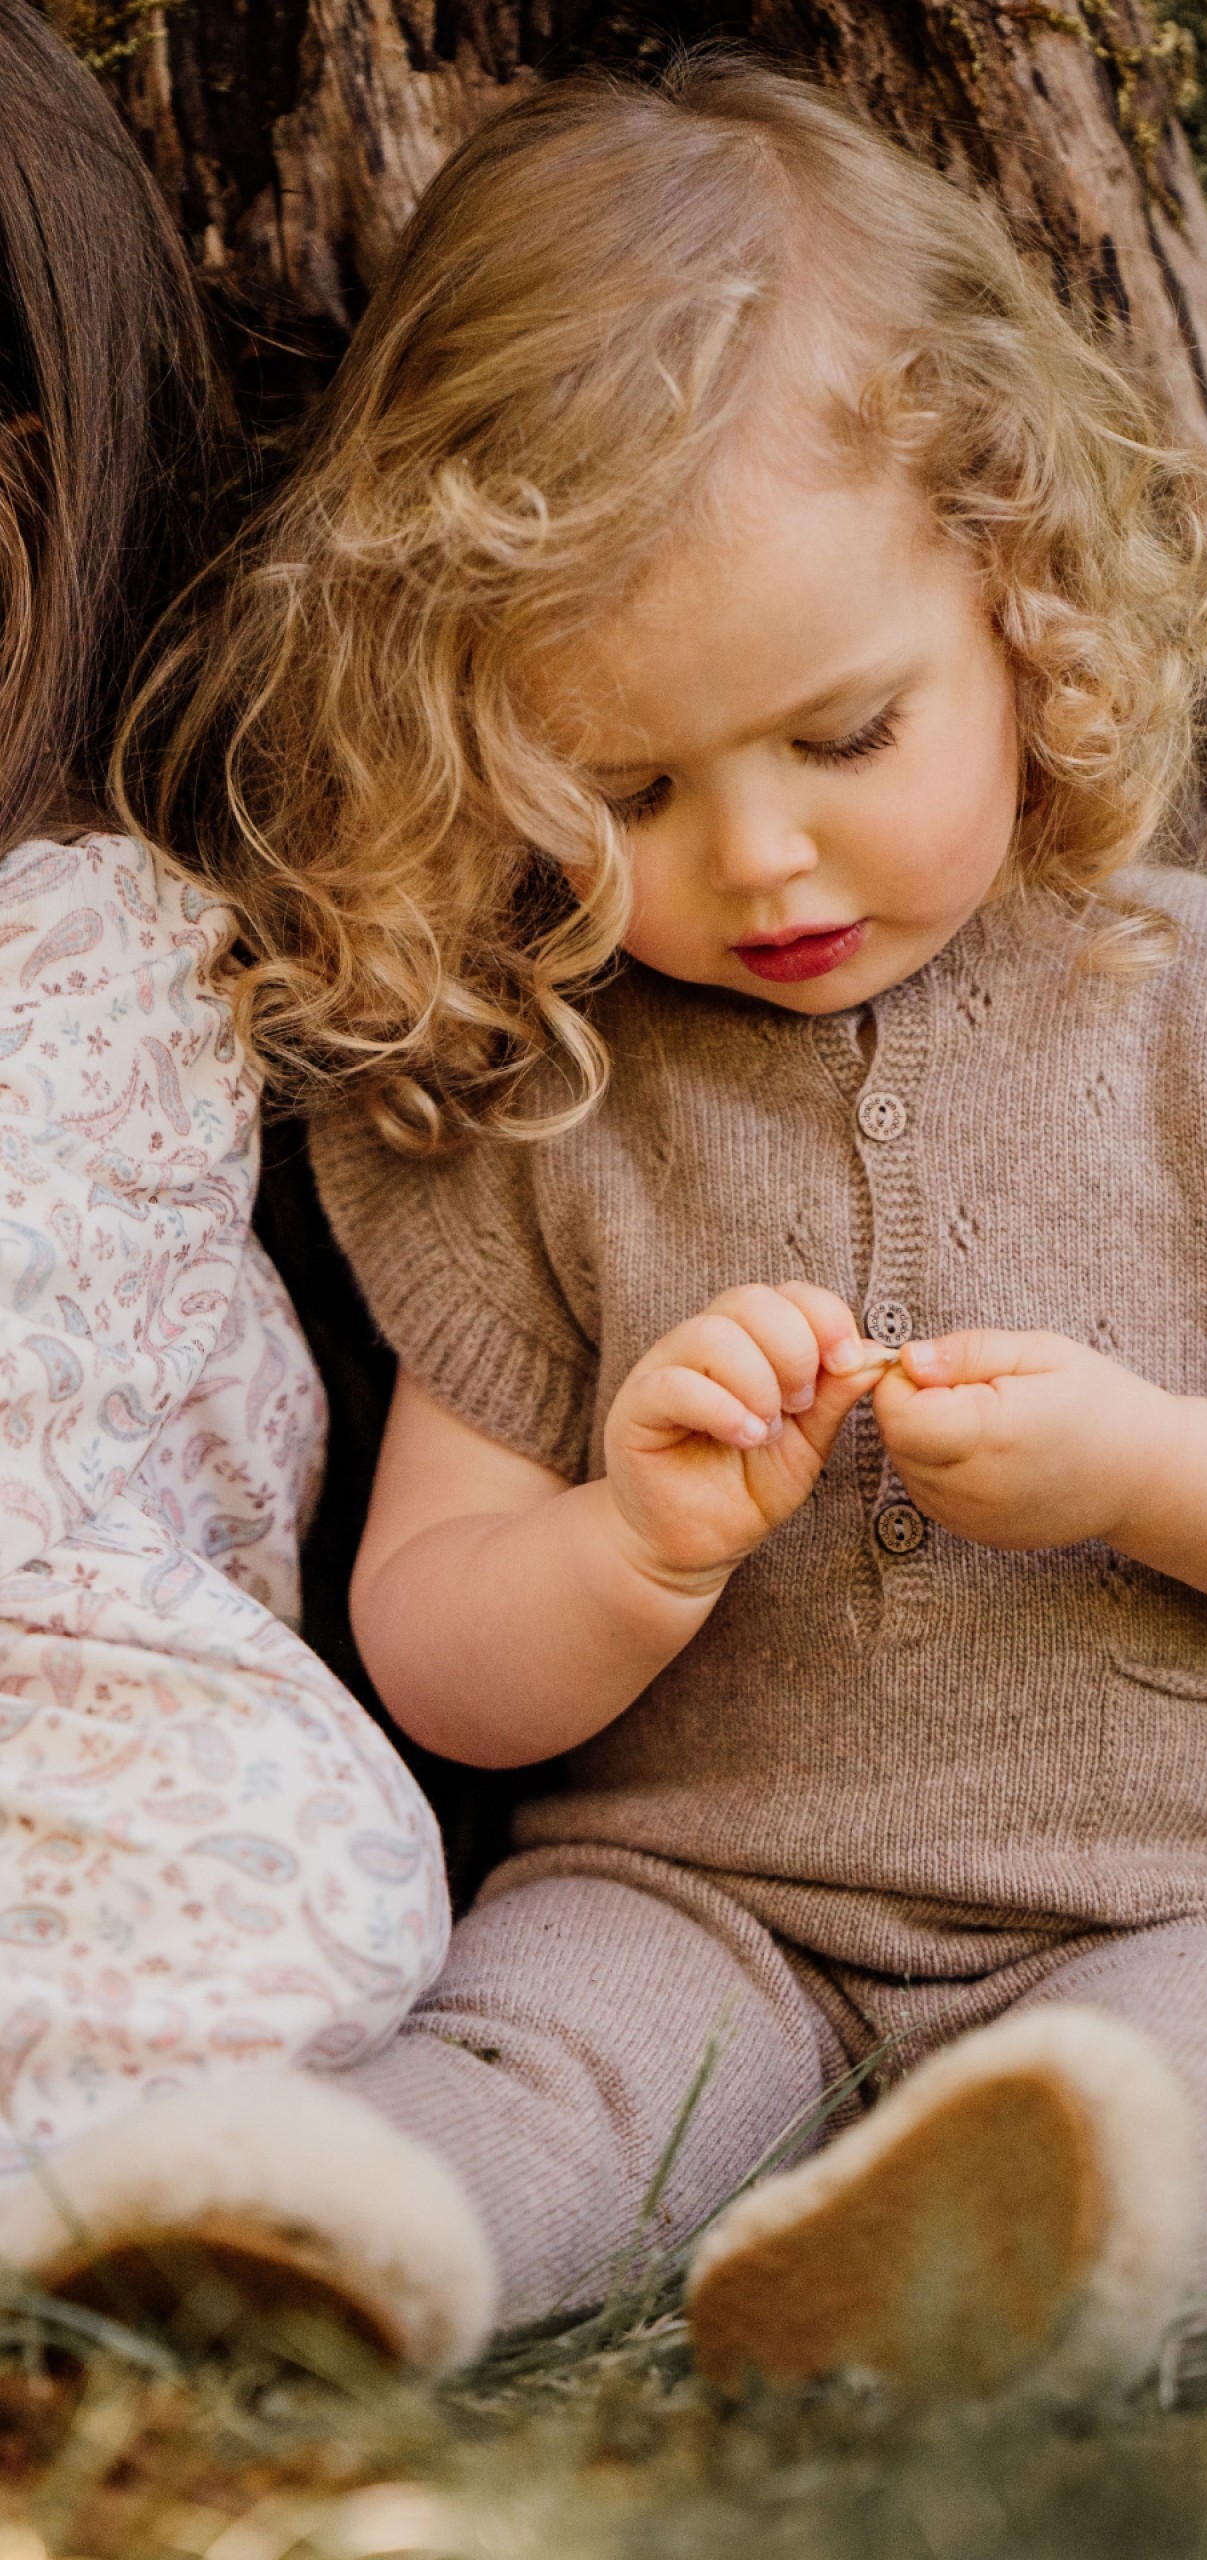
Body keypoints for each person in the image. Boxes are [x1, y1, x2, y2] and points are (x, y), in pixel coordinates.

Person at [82, 60, 1207, 2397]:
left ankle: (1043, 2236)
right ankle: (334, 2236)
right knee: (542, 2055)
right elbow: (437, 1648)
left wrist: (1150, 1472)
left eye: (846, 733)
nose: (762, 858)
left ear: (1021, 590)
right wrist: (633, 1546)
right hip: (696, 1898)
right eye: (629, 787)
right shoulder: (537, 1102)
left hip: (1189, 1912)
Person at [0, 0, 487, 2369]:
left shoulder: (91, 946)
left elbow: (142, 1442)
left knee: (305, 1870)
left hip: (43, 1706)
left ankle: (89, 2209)